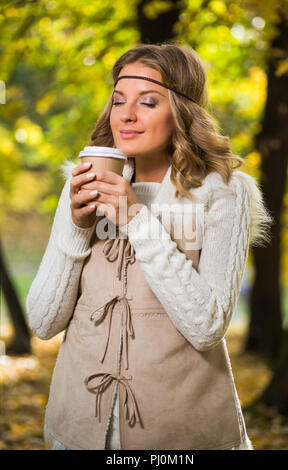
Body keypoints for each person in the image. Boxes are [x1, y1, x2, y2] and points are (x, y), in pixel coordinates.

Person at [26, 42, 273, 451]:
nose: (126, 113)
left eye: (149, 101)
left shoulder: (223, 192)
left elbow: (207, 326)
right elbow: (43, 321)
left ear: (181, 111)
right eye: (118, 100)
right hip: (78, 433)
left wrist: (137, 219)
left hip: (181, 436)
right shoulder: (83, 181)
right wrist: (75, 227)